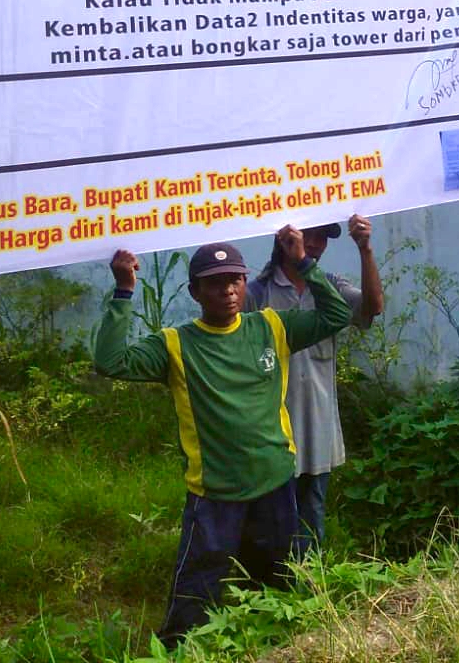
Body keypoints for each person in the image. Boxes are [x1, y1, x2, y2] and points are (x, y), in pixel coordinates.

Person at [93, 230, 350, 648]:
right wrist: (124, 291)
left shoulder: (272, 327)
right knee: (196, 591)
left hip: (275, 483)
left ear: (245, 284)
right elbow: (110, 361)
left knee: (277, 584)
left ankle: (272, 648)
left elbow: (337, 315)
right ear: (195, 292)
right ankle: (179, 650)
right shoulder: (175, 345)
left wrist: (304, 262)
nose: (228, 290)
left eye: (235, 280)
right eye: (215, 283)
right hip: (215, 493)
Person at [244, 215, 384, 554]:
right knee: (271, 519)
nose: (316, 244)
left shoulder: (330, 287)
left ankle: (309, 579)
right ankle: (274, 578)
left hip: (317, 424)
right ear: (284, 238)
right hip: (270, 430)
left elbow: (372, 308)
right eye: (309, 235)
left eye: (323, 237)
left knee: (311, 515)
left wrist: (365, 249)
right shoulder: (257, 293)